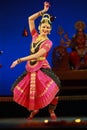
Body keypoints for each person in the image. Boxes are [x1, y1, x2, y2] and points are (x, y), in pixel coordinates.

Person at [10, 1, 61, 120]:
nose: (45, 28)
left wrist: (19, 60)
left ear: (50, 30)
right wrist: (43, 11)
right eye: (43, 26)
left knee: (56, 85)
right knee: (17, 88)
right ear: (39, 27)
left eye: (47, 27)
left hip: (42, 66)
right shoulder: (34, 36)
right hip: (31, 66)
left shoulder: (48, 42)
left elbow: (38, 54)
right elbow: (30, 19)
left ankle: (51, 110)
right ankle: (34, 110)